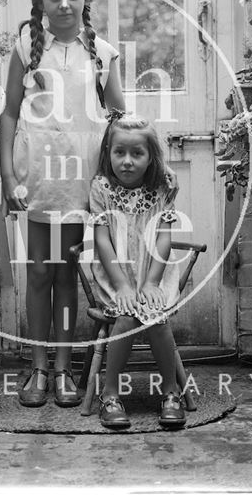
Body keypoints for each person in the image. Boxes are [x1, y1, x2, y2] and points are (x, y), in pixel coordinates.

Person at [0, 0, 126, 407]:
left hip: (78, 181)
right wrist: (7, 174)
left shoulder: (103, 52)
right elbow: (10, 113)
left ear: (85, 0)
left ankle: (64, 369)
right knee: (37, 273)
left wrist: (124, 172)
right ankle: (37, 368)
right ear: (41, 2)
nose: (65, 2)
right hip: (36, 178)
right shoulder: (26, 45)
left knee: (67, 275)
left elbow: (119, 117)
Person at [89, 110, 186, 429]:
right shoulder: (101, 187)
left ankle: (171, 392)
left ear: (151, 157)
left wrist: (151, 282)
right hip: (115, 274)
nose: (127, 161)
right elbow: (102, 242)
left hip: (153, 272)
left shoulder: (161, 188)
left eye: (137, 153)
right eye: (120, 152)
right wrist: (124, 287)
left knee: (155, 316)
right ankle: (110, 394)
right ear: (108, 153)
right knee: (127, 317)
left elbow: (163, 239)